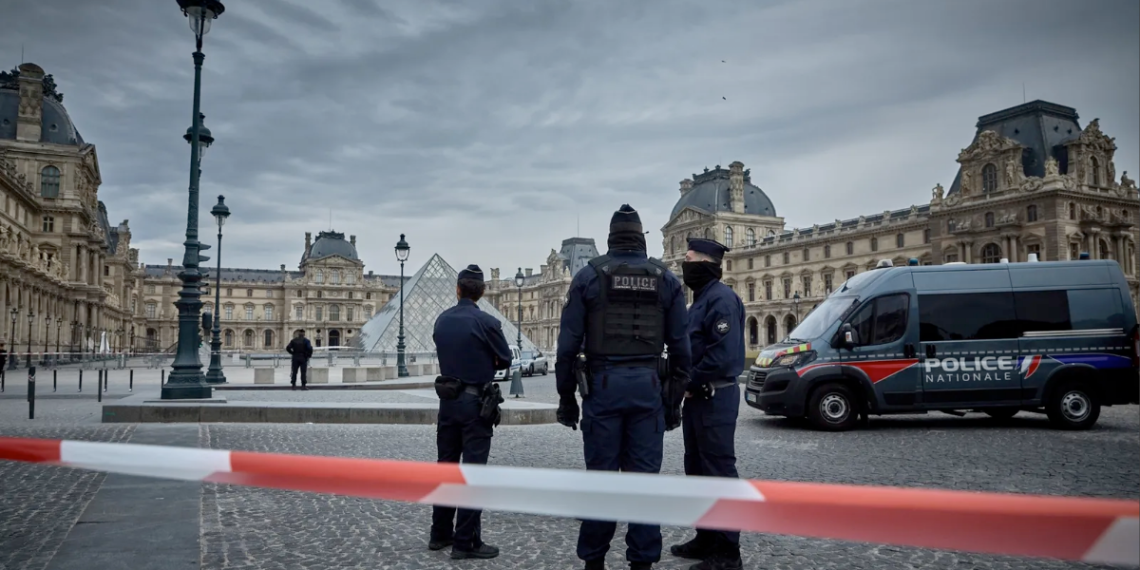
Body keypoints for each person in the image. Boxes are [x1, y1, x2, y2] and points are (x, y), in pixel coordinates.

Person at [556, 204, 692, 570]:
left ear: (610, 239)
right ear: (642, 239)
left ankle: (594, 561)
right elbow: (682, 348)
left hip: (602, 387)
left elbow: (567, 347)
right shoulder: (665, 279)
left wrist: (566, 398)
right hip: (648, 387)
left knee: (601, 480)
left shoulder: (588, 276)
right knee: (644, 483)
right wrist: (674, 402)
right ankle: (642, 563)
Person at [670, 238, 746, 570]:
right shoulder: (700, 301)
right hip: (699, 400)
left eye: (688, 259)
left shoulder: (722, 300)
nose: (683, 265)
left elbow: (722, 356)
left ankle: (728, 551)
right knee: (697, 470)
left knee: (718, 471)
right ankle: (706, 537)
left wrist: (688, 380)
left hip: (715, 396)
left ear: (705, 263)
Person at [429, 264, 513, 560]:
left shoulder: (442, 320)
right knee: (472, 474)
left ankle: (439, 534)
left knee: (446, 469)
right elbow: (504, 359)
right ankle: (466, 542)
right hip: (476, 404)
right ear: (483, 292)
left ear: (457, 289)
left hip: (447, 403)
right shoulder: (487, 322)